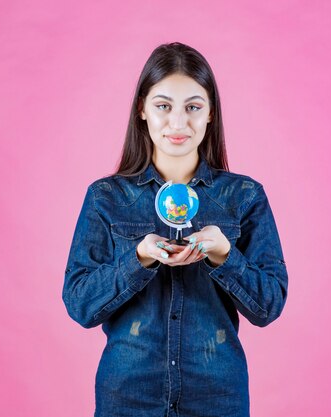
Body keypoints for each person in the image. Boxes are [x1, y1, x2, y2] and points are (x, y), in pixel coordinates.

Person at [62, 41, 288, 417]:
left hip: (217, 397)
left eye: (193, 107)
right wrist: (139, 258)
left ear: (211, 113)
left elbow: (269, 305)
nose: (178, 123)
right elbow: (80, 304)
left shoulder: (244, 197)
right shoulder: (106, 198)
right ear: (142, 110)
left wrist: (225, 256)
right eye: (163, 106)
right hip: (128, 398)